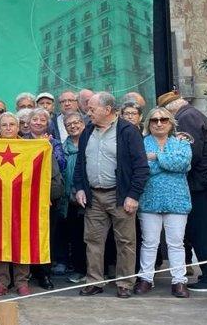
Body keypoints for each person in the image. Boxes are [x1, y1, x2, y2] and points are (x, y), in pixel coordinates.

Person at [74, 92, 149, 298]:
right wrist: (80, 188)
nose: (88, 113)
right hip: (93, 196)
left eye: (92, 109)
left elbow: (141, 167)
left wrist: (133, 195)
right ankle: (94, 282)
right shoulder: (88, 131)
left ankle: (125, 283)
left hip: (120, 196)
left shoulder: (128, 131)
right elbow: (80, 164)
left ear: (107, 110)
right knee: (93, 241)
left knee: (125, 242)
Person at [159, 90, 207, 293]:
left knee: (203, 232)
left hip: (200, 185)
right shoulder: (193, 114)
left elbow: (191, 154)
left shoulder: (185, 118)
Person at [0, 113, 63, 296]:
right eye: (4, 125)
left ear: (19, 127)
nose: (8, 128)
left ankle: (22, 281)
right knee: (0, 240)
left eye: (12, 124)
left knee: (22, 241)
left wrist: (46, 197)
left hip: (24, 203)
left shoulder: (31, 147)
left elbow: (45, 173)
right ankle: (1, 281)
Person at [133, 107, 192, 298]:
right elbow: (142, 168)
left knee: (176, 243)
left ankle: (179, 280)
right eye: (154, 120)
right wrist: (168, 163)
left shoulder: (181, 142)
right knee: (149, 242)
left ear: (171, 123)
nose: (159, 123)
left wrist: (157, 157)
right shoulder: (141, 143)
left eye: (164, 119)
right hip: (149, 200)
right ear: (148, 123)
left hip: (177, 200)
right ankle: (145, 278)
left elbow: (183, 164)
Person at [26, 108, 66, 283]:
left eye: (42, 120)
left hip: (50, 193)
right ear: (29, 122)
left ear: (47, 124)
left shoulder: (54, 142)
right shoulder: (21, 141)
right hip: (26, 195)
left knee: (47, 234)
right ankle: (27, 270)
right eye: (35, 119)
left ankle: (44, 272)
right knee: (27, 233)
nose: (38, 122)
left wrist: (47, 148)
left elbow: (62, 164)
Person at [61, 112, 87, 283]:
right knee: (76, 236)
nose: (73, 126)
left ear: (83, 124)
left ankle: (100, 270)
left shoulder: (91, 143)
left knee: (94, 236)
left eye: (77, 122)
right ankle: (79, 269)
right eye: (69, 124)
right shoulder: (62, 148)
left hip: (91, 197)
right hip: (69, 199)